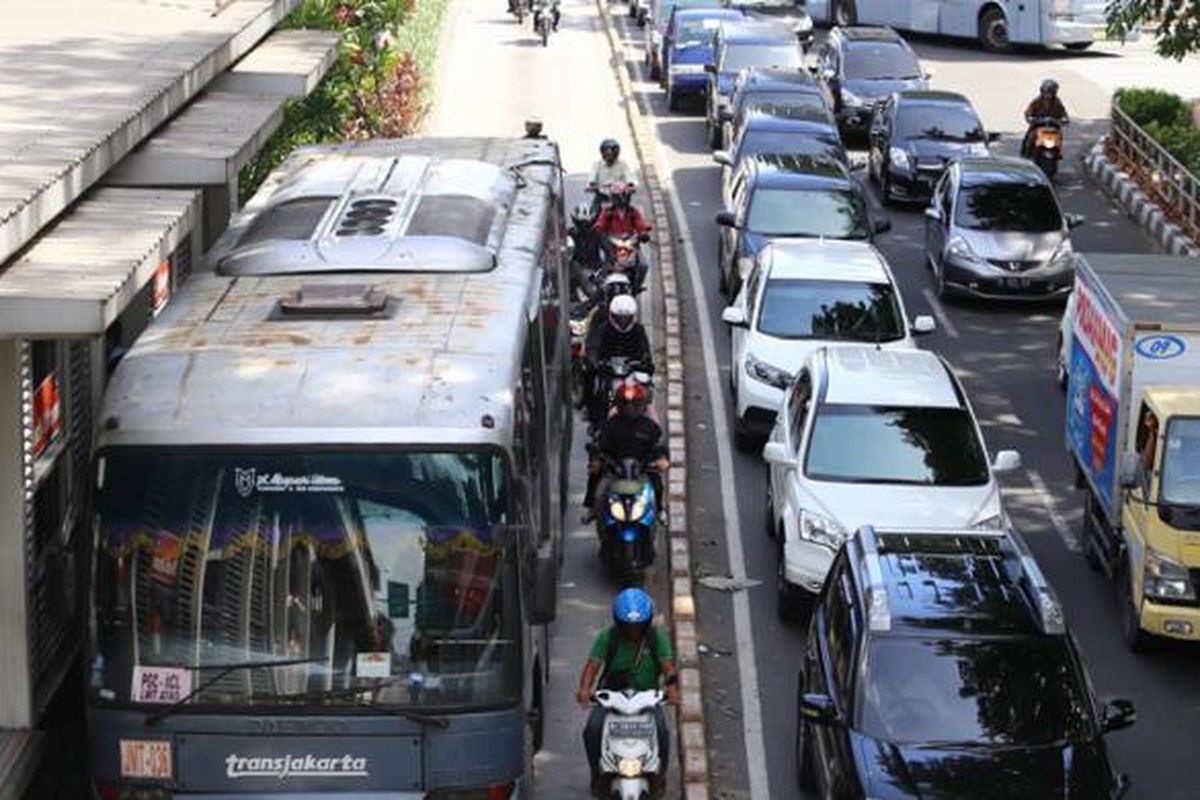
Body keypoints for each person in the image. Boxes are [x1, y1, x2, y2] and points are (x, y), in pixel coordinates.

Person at [577, 589, 679, 796]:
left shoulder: (656, 639)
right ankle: (597, 773)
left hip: (646, 697)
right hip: (612, 696)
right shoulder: (608, 637)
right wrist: (585, 690)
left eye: (638, 626)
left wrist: (672, 689)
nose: (634, 631)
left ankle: (660, 775)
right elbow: (592, 666)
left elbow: (669, 668)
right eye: (629, 626)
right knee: (592, 730)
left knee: (662, 732)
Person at [583, 380, 668, 520]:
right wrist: (596, 459)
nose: (630, 408)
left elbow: (658, 445)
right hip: (615, 469)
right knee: (595, 478)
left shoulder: (650, 427)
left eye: (634, 403)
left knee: (656, 482)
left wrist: (662, 459)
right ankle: (591, 508)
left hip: (641, 469)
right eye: (625, 403)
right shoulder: (610, 426)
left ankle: (659, 509)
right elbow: (598, 445)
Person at [593, 183, 652, 291]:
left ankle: (635, 287)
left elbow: (641, 226)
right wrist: (599, 233)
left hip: (630, 244)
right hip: (611, 246)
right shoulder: (607, 212)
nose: (621, 200)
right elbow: (599, 225)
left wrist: (643, 234)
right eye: (618, 197)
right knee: (600, 267)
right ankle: (601, 291)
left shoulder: (633, 212)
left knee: (644, 265)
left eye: (624, 196)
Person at [1021, 79, 1069, 158]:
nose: (1048, 95)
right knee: (1029, 138)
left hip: (1053, 128)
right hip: (1038, 126)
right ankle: (1026, 155)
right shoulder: (1036, 102)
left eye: (1051, 92)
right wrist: (1031, 119)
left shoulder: (1057, 103)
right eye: (1047, 92)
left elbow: (1064, 115)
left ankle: (1057, 152)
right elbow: (1028, 113)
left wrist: (1064, 120)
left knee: (1059, 136)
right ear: (1042, 92)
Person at [588, 139, 638, 212]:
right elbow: (591, 180)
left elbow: (630, 179)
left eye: (612, 152)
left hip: (621, 198)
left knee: (634, 215)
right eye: (606, 152)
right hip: (602, 197)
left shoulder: (623, 164)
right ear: (602, 153)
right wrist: (593, 185)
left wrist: (630, 186)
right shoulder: (597, 165)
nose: (609, 155)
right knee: (592, 216)